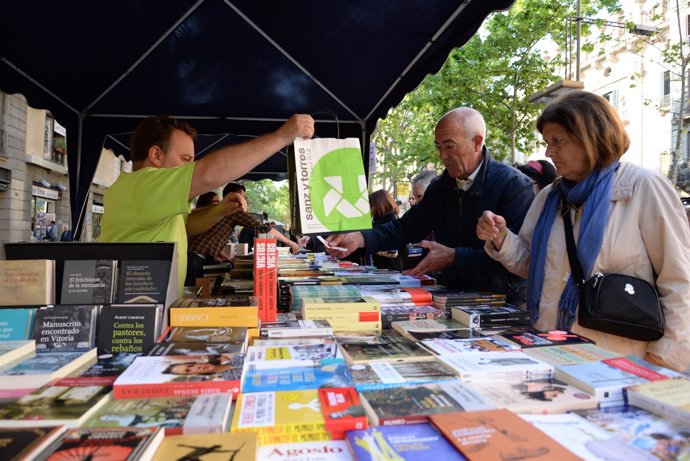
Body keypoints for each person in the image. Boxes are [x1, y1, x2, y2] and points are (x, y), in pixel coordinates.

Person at [476, 90, 690, 372]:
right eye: (547, 142)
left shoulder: (643, 187)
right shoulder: (549, 196)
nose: (549, 152)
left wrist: (661, 361)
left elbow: (679, 281)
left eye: (557, 141)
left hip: (620, 362)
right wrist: (501, 238)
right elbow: (534, 265)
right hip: (551, 350)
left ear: (590, 137)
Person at [327, 107, 534, 304]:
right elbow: (405, 228)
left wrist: (454, 257)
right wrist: (360, 237)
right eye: (438, 147)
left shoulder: (512, 185)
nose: (442, 156)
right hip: (452, 296)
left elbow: (519, 258)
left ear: (477, 142)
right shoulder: (439, 188)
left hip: (504, 301)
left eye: (449, 146)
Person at [98, 113, 314, 294]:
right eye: (185, 160)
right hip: (133, 316)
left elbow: (185, 226)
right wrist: (281, 137)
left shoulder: (148, 195)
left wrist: (220, 210)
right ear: (155, 154)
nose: (190, 167)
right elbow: (209, 174)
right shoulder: (143, 185)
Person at [368, 189, 404, 271]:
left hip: (388, 265)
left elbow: (391, 247)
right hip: (382, 264)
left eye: (371, 205)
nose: (370, 209)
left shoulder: (389, 218)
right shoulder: (378, 218)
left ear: (378, 204)